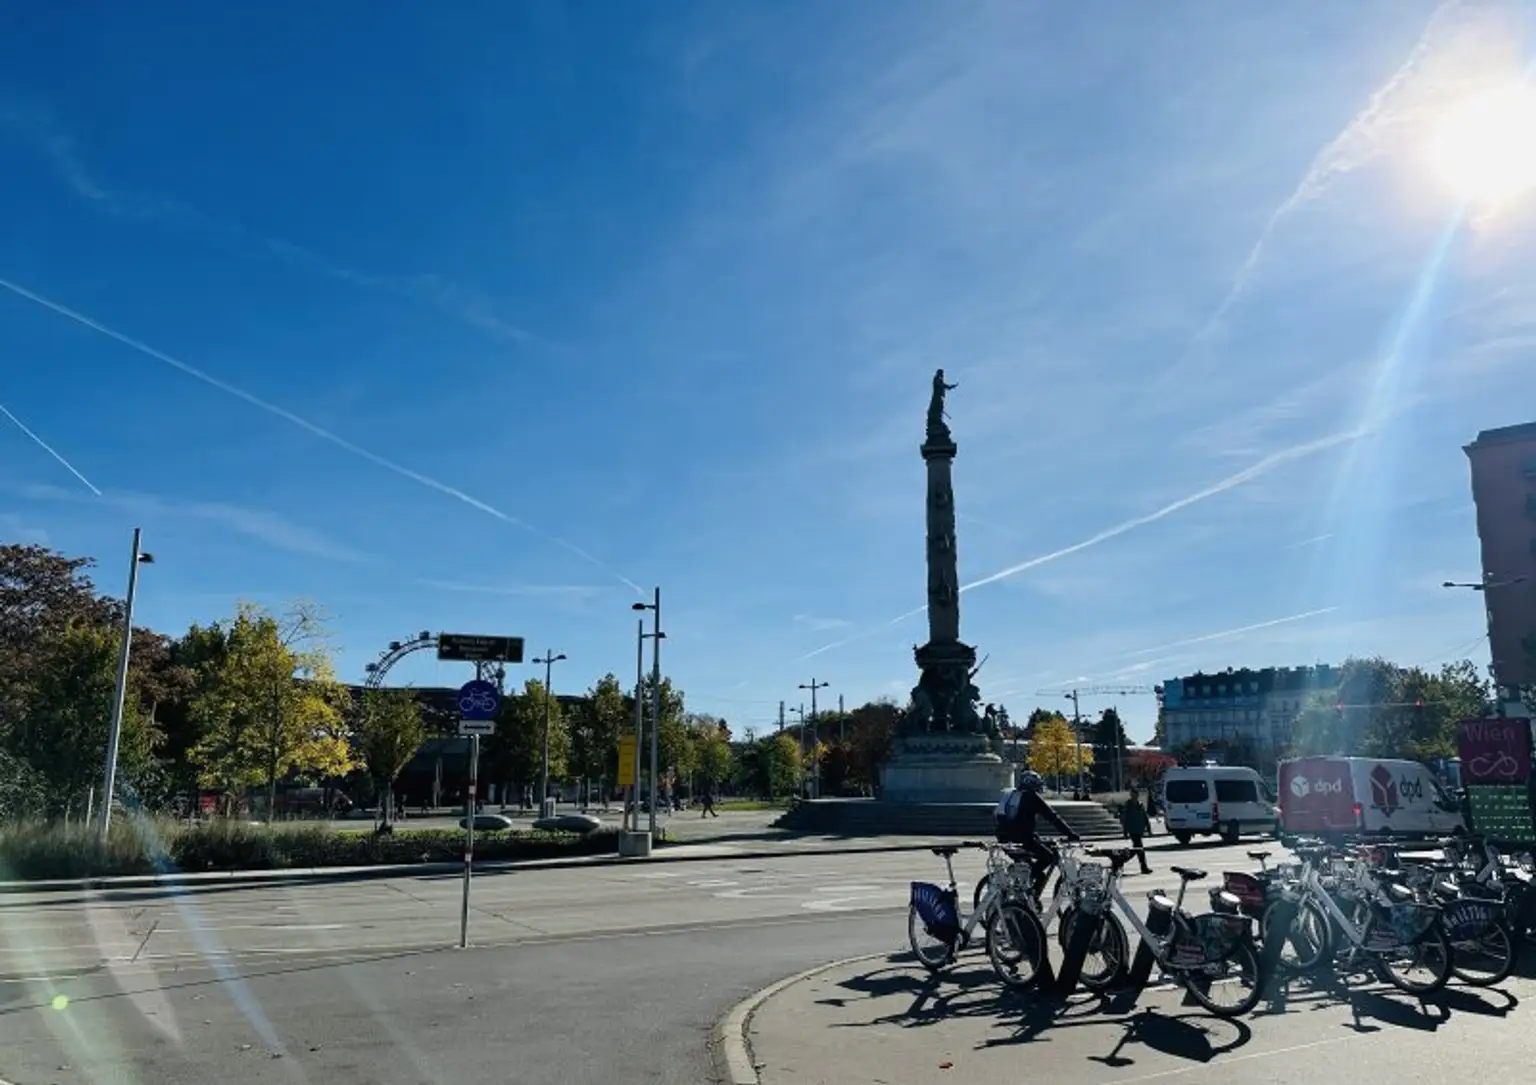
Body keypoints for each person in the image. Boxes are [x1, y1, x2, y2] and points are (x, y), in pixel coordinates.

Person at [996, 772, 1081, 900]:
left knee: (1029, 865)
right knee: (1049, 858)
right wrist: (1070, 834)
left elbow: (1014, 820)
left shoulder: (1011, 794)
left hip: (1005, 838)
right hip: (1021, 839)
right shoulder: (1031, 797)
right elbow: (1052, 817)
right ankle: (1031, 899)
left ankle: (1025, 892)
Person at [1120, 789, 1153, 874]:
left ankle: (1121, 861)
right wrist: (1125, 831)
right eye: (1133, 794)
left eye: (1136, 794)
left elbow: (1145, 817)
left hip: (1139, 830)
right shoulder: (1128, 805)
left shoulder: (1140, 804)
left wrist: (1149, 829)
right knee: (1139, 849)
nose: (1135, 796)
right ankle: (1144, 867)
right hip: (1132, 830)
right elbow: (1125, 818)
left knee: (1137, 849)